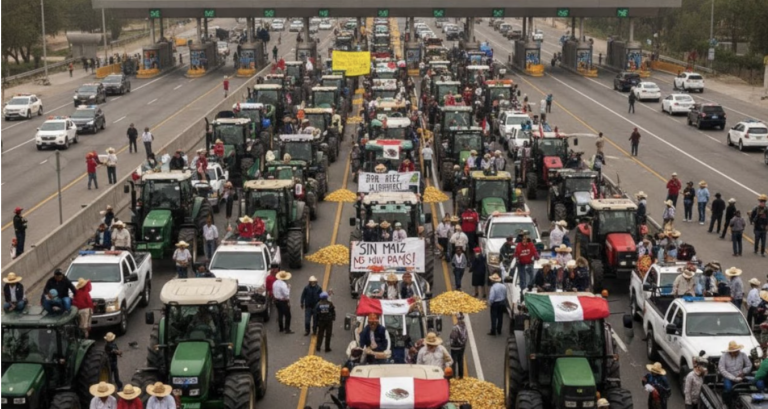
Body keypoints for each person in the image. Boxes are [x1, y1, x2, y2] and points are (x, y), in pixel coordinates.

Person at [449, 313, 468, 378]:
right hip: (462, 346)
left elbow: (453, 337)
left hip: (455, 347)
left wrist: (451, 343)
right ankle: (461, 375)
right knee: (460, 360)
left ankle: (453, 376)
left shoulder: (455, 327)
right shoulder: (464, 325)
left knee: (453, 361)